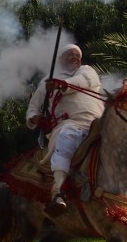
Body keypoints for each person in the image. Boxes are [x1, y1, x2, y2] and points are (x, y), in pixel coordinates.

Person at [25, 43, 104, 215]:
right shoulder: (46, 82)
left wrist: (61, 85)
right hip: (69, 125)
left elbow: (83, 81)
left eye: (78, 55)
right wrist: (35, 118)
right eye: (70, 54)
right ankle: (57, 191)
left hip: (98, 125)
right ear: (60, 60)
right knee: (66, 137)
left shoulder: (87, 71)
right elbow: (32, 108)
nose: (75, 57)